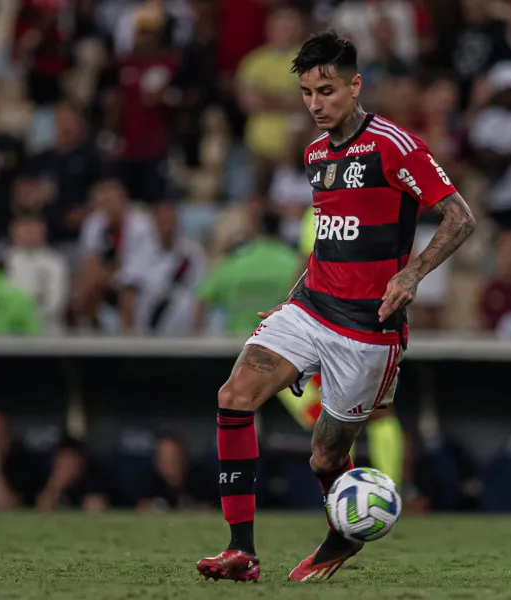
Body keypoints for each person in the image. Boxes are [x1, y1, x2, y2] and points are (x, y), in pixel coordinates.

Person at [196, 32, 476, 583]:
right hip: (310, 306)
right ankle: (241, 551)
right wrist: (294, 298)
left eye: (326, 90)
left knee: (324, 458)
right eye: (305, 92)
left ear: (355, 85)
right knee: (234, 396)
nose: (315, 103)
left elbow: (460, 217)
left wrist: (412, 272)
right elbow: (331, 239)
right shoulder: (315, 154)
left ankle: (341, 538)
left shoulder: (395, 146)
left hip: (368, 330)